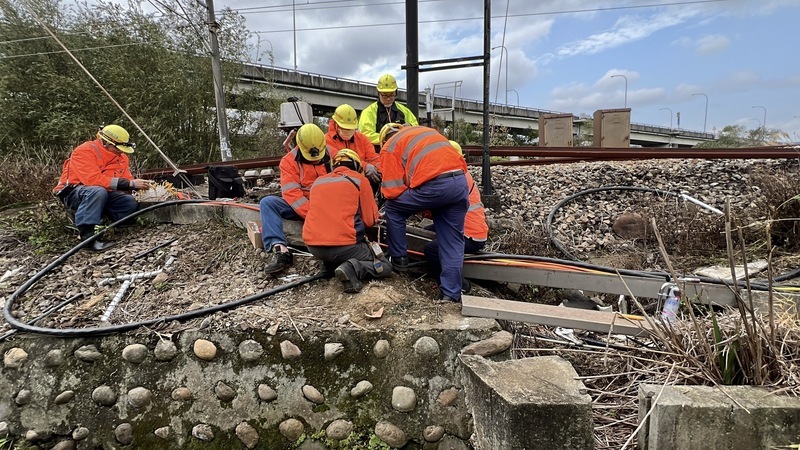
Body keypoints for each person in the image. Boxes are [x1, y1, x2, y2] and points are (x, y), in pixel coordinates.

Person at [379, 124, 469, 302]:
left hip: (436, 186)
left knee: (393, 208)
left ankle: (398, 259)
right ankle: (450, 295)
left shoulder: (390, 146)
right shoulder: (424, 132)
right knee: (451, 242)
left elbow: (392, 191)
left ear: (384, 139)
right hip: (459, 184)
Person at [303, 149, 391, 293]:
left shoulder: (318, 182)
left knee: (336, 249)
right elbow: (370, 221)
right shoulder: (359, 180)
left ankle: (329, 265)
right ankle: (352, 268)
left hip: (314, 247)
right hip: (344, 247)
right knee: (385, 265)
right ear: (357, 166)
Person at [54, 124, 153, 251]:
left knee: (129, 203)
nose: (121, 152)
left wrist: (139, 186)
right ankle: (88, 238)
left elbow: (126, 179)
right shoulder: (84, 151)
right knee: (96, 191)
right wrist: (130, 184)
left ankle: (108, 222)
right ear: (106, 142)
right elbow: (92, 180)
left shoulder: (121, 158)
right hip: (73, 191)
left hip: (102, 193)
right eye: (118, 149)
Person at [260, 123, 331, 274]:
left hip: (329, 206)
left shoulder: (334, 154)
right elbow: (293, 195)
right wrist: (313, 215)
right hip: (304, 208)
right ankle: (280, 250)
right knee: (268, 203)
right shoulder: (288, 162)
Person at [423, 141, 488, 294]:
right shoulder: (460, 175)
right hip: (465, 229)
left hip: (470, 235)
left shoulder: (456, 179)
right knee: (426, 232)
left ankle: (458, 285)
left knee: (431, 249)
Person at [358, 74, 419, 152]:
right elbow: (366, 134)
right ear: (378, 93)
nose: (388, 98)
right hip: (378, 154)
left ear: (396, 93)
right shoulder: (369, 112)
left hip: (401, 153)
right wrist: (387, 138)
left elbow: (416, 129)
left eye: (391, 95)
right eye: (384, 95)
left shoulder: (404, 111)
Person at [325, 104, 381, 185]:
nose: (348, 132)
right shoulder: (326, 141)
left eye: (350, 129)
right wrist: (365, 167)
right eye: (344, 128)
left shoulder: (362, 139)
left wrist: (379, 170)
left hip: (362, 183)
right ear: (335, 124)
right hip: (339, 183)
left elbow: (373, 158)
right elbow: (342, 161)